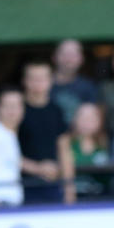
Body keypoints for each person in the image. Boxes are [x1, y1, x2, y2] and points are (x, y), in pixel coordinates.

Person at [18, 62, 76, 204]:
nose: (38, 83)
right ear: (25, 81)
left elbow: (64, 149)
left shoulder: (56, 110)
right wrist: (37, 168)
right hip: (21, 184)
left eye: (43, 78)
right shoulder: (16, 111)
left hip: (53, 183)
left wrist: (69, 187)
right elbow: (5, 151)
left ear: (50, 81)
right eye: (33, 78)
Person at [51, 38, 99, 125]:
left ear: (81, 59)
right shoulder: (42, 85)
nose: (68, 59)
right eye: (64, 54)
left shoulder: (88, 87)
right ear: (54, 57)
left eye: (73, 55)